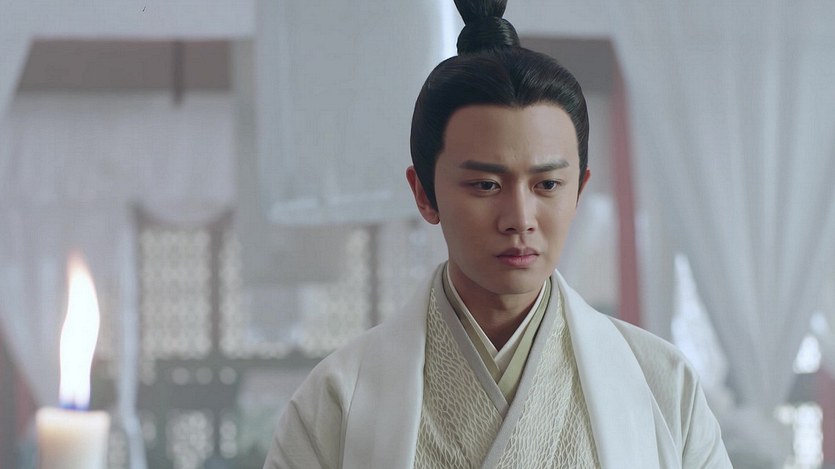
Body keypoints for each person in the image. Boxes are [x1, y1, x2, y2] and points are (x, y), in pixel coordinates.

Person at [264, 0, 732, 467]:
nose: (519, 218)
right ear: (424, 194)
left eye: (547, 185)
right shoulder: (336, 400)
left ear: (579, 191)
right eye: (486, 185)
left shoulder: (663, 386)